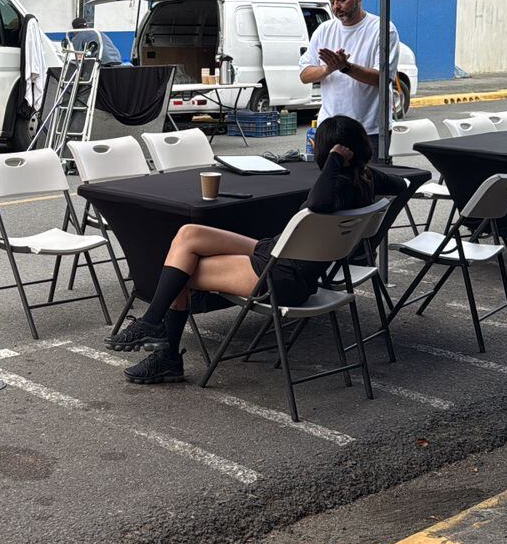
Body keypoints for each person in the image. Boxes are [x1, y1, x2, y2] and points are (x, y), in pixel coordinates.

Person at [105, 115, 409, 384]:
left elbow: (317, 203)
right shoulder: (365, 179)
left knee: (180, 268)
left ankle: (166, 353)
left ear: (333, 152)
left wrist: (333, 163)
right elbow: (402, 184)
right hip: (279, 256)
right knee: (188, 234)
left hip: (281, 277)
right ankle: (152, 325)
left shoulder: (335, 188)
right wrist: (352, 165)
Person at [298, 0, 400, 154]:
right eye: (332, 1)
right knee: (327, 181)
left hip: (370, 130)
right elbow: (305, 75)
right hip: (329, 128)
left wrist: (346, 67)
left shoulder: (382, 29)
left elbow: (382, 79)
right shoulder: (324, 30)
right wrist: (328, 68)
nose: (336, 6)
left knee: (366, 181)